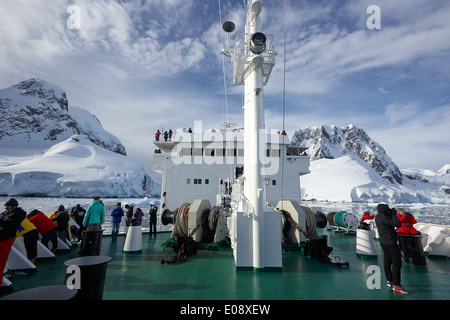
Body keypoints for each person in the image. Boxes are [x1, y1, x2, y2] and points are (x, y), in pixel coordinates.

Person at [375, 203, 409, 294]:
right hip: (390, 243)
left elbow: (388, 222)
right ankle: (397, 285)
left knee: (387, 261)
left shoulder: (377, 217)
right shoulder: (384, 218)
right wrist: (394, 215)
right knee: (397, 263)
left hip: (384, 242)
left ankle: (389, 281)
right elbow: (398, 224)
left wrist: (390, 215)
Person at [0, 198, 26, 282]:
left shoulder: (18, 214)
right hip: (2, 238)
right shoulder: (7, 213)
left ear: (14, 207)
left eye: (7, 208)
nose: (6, 210)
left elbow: (8, 224)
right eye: (5, 208)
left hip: (6, 239)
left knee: (1, 261)